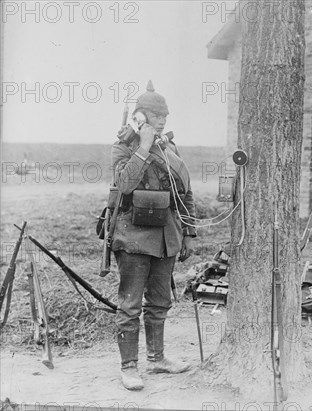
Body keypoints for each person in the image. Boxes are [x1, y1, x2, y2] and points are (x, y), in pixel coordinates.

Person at [110, 81, 197, 390]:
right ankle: (129, 366)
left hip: (166, 238)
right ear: (140, 116)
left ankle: (157, 358)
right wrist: (144, 146)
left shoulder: (170, 147)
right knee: (130, 304)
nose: (162, 120)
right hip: (133, 237)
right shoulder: (125, 146)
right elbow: (124, 185)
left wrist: (189, 232)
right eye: (156, 115)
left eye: (165, 114)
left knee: (160, 301)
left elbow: (184, 193)